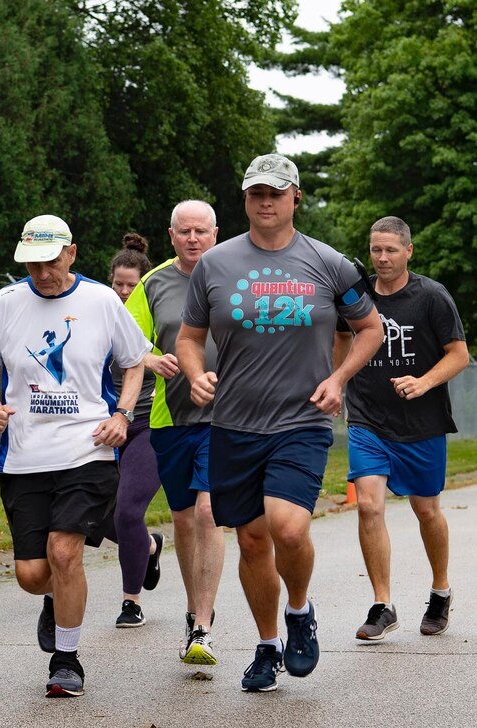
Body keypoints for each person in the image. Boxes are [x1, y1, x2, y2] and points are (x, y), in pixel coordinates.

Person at [176, 154, 383, 692]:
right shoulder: (215, 265)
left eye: (276, 193)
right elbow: (189, 338)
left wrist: (338, 380)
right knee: (250, 541)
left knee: (288, 527)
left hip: (302, 421)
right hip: (234, 424)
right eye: (255, 194)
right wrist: (196, 374)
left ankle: (299, 610)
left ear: (295, 197)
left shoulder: (329, 262)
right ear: (244, 200)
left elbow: (370, 329)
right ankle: (267, 645)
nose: (265, 202)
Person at [0, 214, 150, 698]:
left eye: (50, 263)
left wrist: (123, 415)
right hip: (25, 455)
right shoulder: (7, 302)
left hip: (86, 448)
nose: (42, 273)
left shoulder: (99, 301)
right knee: (33, 574)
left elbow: (134, 362)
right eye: (32, 265)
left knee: (65, 551)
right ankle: (53, 597)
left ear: (70, 253)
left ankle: (67, 660)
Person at [334, 216, 469, 642]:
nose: (382, 257)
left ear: (409, 251)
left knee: (426, 510)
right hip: (368, 417)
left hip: (421, 422)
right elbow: (341, 337)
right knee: (369, 504)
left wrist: (424, 381)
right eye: (376, 249)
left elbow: (459, 354)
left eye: (391, 249)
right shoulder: (356, 296)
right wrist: (337, 380)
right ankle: (382, 604)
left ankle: (440, 590)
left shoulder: (431, 296)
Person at [124, 200, 224, 665]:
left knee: (209, 513)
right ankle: (192, 610)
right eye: (184, 231)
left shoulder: (236, 273)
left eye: (201, 231)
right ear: (171, 235)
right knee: (184, 520)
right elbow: (126, 339)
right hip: (171, 418)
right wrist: (150, 359)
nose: (193, 238)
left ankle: (204, 623)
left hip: (228, 417)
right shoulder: (153, 283)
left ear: (216, 233)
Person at [105, 233, 165, 629]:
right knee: (90, 514)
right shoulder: (95, 317)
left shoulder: (160, 321)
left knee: (128, 511)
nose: (125, 291)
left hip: (147, 425)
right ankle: (147, 545)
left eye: (132, 285)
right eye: (118, 284)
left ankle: (131, 601)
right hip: (103, 429)